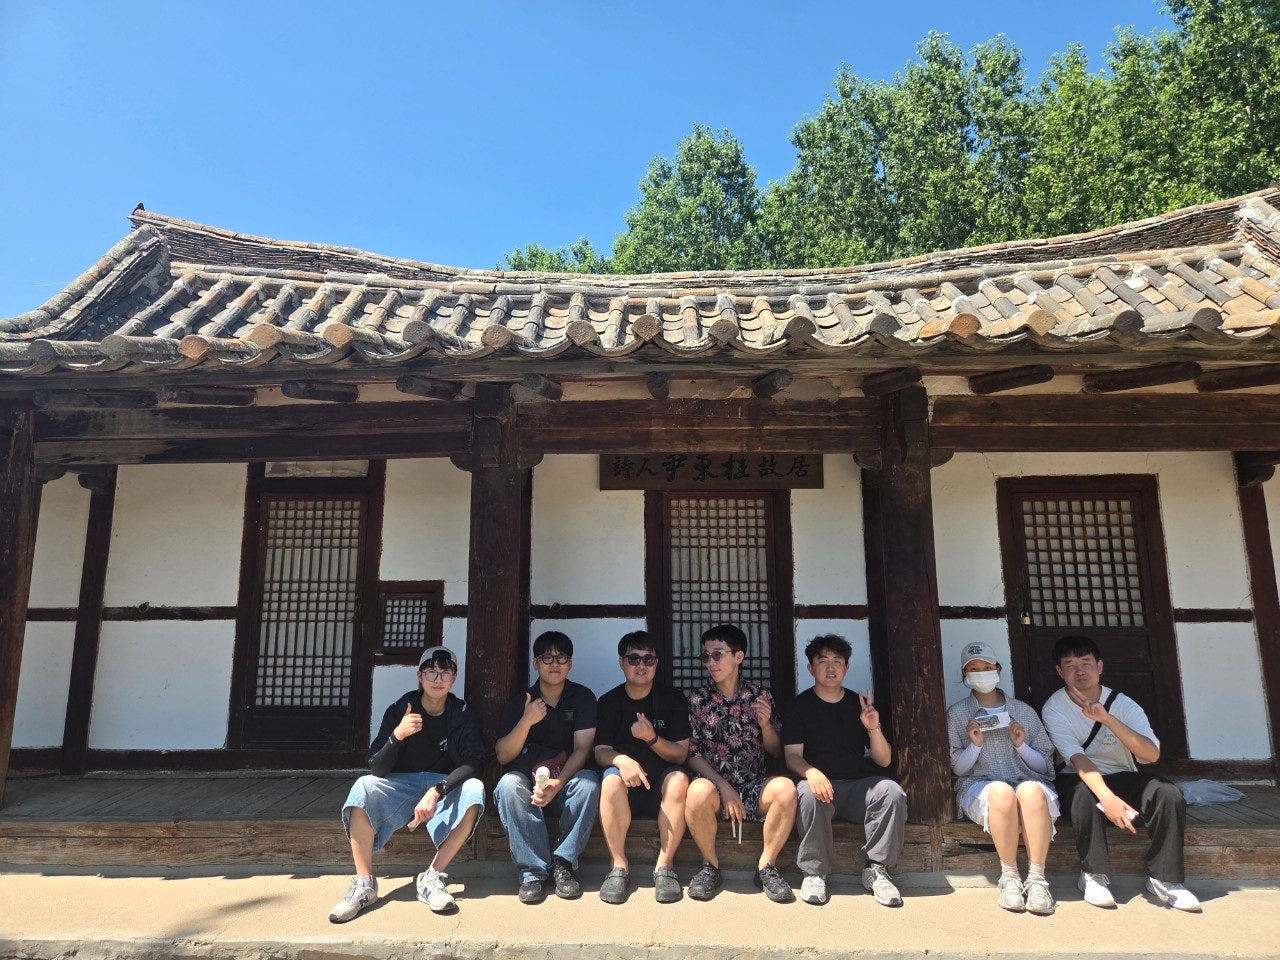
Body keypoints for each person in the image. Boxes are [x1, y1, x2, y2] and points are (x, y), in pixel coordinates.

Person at [1041, 635, 1201, 912]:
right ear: (1059, 671)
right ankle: (1093, 874)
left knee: (1167, 793)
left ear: (1100, 666)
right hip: (1077, 776)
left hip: (1123, 774)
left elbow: (1151, 755)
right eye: (1070, 665)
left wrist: (1107, 719)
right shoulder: (1054, 708)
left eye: (1086, 663)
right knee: (1083, 793)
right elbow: (1077, 758)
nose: (1080, 671)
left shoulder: (1123, 704)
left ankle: (1165, 879)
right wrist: (1107, 798)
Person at [328, 646, 485, 922]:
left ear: (454, 677)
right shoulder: (402, 708)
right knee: (363, 786)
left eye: (445, 672)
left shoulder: (461, 712)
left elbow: (474, 762)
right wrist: (397, 735)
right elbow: (377, 767)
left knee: (475, 789)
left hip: (441, 783)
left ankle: (431, 878)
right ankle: (364, 884)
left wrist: (438, 790)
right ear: (419, 676)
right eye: (431, 672)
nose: (438, 679)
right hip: (401, 783)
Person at [784, 634, 907, 907]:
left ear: (847, 667)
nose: (830, 668)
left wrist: (873, 727)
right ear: (810, 668)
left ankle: (876, 869)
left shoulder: (858, 704)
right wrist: (811, 772)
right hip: (821, 789)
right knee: (806, 791)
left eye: (837, 661)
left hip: (856, 788)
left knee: (891, 791)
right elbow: (792, 756)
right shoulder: (799, 706)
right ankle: (814, 872)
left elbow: (884, 760)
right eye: (823, 661)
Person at [684, 623, 798, 903]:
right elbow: (692, 753)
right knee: (696, 792)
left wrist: (766, 726)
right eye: (706, 656)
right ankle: (710, 866)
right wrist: (723, 787)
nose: (711, 662)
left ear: (738, 656)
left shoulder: (760, 697)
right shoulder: (698, 700)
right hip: (714, 787)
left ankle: (767, 867)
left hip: (753, 785)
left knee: (786, 789)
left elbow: (775, 752)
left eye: (717, 654)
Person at [947, 640, 1058, 915]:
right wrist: (975, 745)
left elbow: (1045, 765)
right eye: (974, 669)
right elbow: (957, 768)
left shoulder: (1023, 711)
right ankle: (1009, 876)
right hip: (979, 785)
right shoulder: (958, 714)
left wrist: (1021, 745)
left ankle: (1037, 879)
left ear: (998, 668)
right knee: (1001, 792)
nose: (981, 673)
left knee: (1030, 791)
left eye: (986, 667)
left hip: (1026, 782)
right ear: (964, 675)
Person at [493, 630, 601, 904]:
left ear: (570, 663)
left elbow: (583, 748)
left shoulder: (582, 697)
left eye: (561, 658)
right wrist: (527, 720)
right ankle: (533, 872)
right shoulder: (522, 701)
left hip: (566, 780)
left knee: (589, 783)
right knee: (507, 785)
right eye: (547, 658)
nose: (554, 664)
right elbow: (503, 755)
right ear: (536, 663)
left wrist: (558, 783)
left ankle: (564, 864)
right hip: (528, 784)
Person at [593, 630, 692, 904]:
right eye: (633, 659)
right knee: (610, 780)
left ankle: (665, 866)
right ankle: (618, 866)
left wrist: (651, 739)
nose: (641, 665)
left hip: (661, 786)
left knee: (679, 780)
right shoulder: (609, 702)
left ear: (656, 664)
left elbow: (681, 753)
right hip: (624, 789)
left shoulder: (672, 699)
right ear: (621, 662)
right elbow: (600, 751)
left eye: (648, 659)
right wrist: (622, 760)